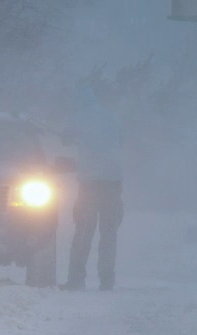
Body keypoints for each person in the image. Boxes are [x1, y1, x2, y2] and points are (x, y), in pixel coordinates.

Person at [61, 79, 123, 291]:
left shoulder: (78, 117)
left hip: (89, 185)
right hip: (113, 184)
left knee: (83, 233)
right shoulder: (111, 117)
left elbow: (65, 139)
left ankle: (76, 279)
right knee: (109, 234)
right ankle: (107, 280)